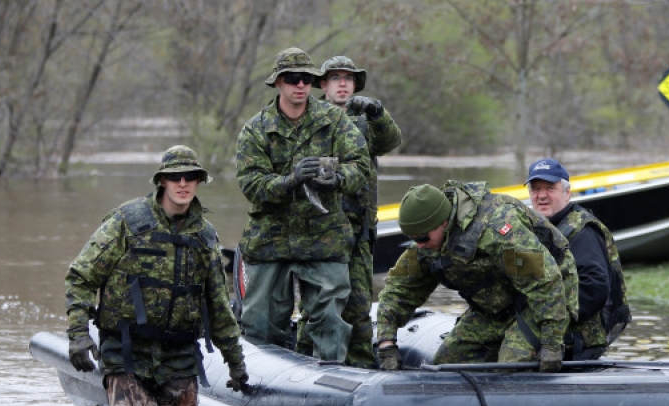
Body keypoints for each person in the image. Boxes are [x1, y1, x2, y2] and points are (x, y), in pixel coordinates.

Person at [65, 145, 248, 406]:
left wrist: (236, 363)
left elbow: (218, 306)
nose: (183, 183)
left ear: (198, 182)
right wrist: (78, 334)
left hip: (178, 355)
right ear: (162, 181)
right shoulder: (127, 222)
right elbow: (81, 275)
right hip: (128, 352)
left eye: (190, 177)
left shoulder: (204, 236)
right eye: (175, 176)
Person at [235, 47, 371, 362]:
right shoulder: (256, 129)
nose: (301, 85)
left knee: (329, 323)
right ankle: (259, 381)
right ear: (279, 83)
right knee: (262, 323)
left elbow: (360, 166)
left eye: (307, 79)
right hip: (272, 239)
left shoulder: (334, 120)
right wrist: (290, 181)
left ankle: (330, 382)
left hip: (323, 237)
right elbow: (251, 185)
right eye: (294, 79)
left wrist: (337, 179)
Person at [375, 181, 578, 371]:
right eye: (412, 239)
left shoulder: (497, 227)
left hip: (539, 301)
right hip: (495, 306)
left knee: (512, 366)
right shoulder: (426, 247)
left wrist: (551, 343)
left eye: (422, 238)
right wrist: (386, 342)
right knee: (446, 365)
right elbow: (398, 290)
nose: (419, 245)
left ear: (444, 223)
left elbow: (544, 283)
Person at [294, 55, 402, 368]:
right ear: (323, 85)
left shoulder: (364, 121)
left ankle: (360, 366)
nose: (343, 84)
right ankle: (301, 360)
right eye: (336, 78)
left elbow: (392, 141)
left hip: (360, 227)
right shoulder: (309, 120)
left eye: (348, 79)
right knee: (320, 301)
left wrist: (378, 113)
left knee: (358, 301)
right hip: (322, 229)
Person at [526, 158, 630, 360]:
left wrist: (546, 318)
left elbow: (595, 289)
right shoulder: (538, 228)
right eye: (536, 189)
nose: (541, 196)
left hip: (581, 336)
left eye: (550, 188)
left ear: (567, 193)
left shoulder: (582, 231)